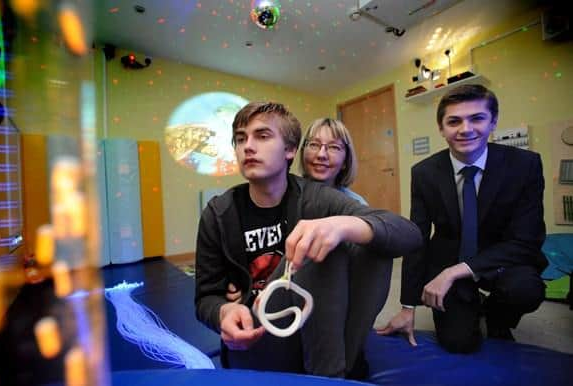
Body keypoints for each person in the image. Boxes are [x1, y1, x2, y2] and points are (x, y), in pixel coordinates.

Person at [195, 102, 422, 378]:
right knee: (320, 243)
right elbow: (205, 297)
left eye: (262, 136)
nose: (248, 146)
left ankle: (334, 373)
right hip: (260, 330)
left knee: (360, 240)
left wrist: (341, 225)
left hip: (320, 329)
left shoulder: (318, 198)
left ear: (290, 150)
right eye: (241, 138)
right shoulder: (218, 213)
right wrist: (224, 310)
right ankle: (334, 373)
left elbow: (409, 234)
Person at [378, 84, 547, 353]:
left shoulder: (525, 165)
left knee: (525, 289)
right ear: (441, 128)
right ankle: (469, 304)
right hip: (449, 256)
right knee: (459, 343)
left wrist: (455, 272)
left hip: (502, 260)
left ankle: (496, 316)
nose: (465, 129)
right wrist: (407, 306)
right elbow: (417, 238)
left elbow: (527, 241)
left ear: (493, 122)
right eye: (454, 121)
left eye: (477, 118)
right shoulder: (424, 173)